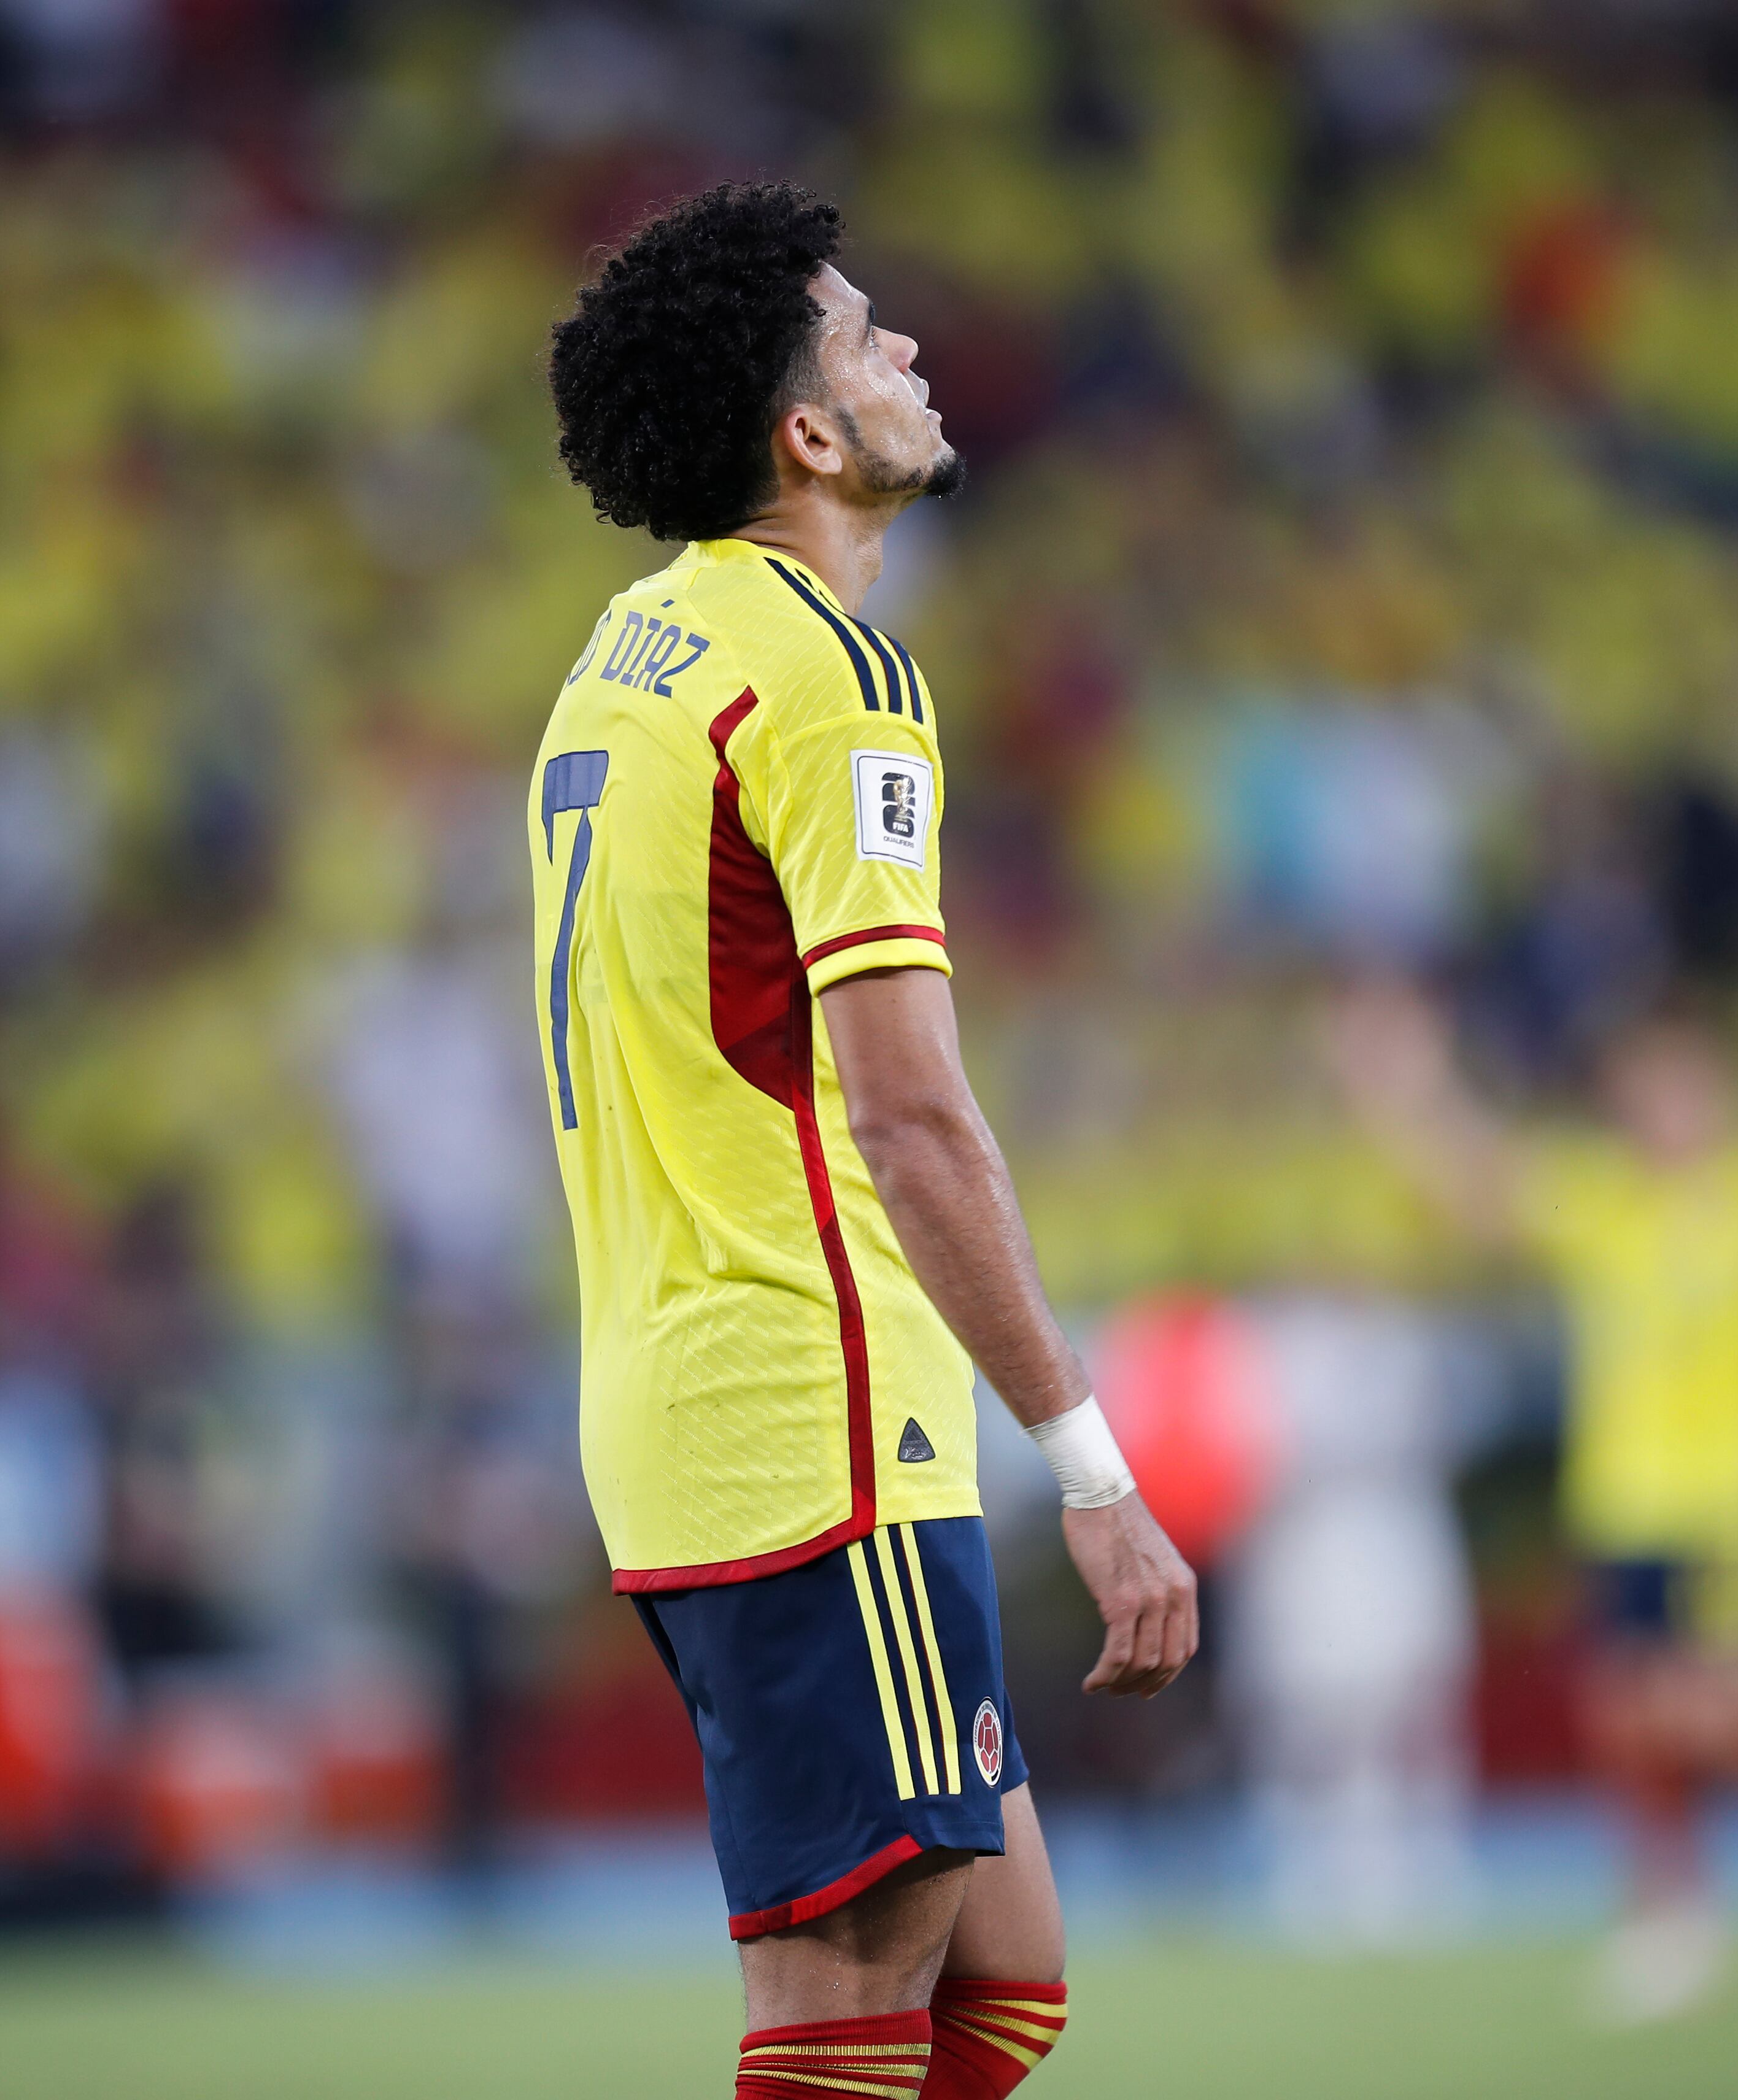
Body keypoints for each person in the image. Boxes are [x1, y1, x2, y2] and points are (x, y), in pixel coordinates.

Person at [533, 183, 1198, 2100]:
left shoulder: (626, 657)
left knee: (1001, 1980)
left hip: (684, 1406)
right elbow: (911, 1118)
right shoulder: (828, 671)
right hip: (812, 1410)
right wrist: (1090, 1461)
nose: (906, 345)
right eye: (860, 331)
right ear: (806, 435)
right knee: (839, 2022)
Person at [1333, 956, 1738, 2021]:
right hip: (1624, 1499)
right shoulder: (1604, 1201)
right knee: (1626, 1715)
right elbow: (1479, 1181)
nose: (1668, 1106)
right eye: (1648, 1085)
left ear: (1721, 1090)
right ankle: (1674, 1912)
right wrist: (1402, 1087)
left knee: (1725, 1704)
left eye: (1686, 1083)